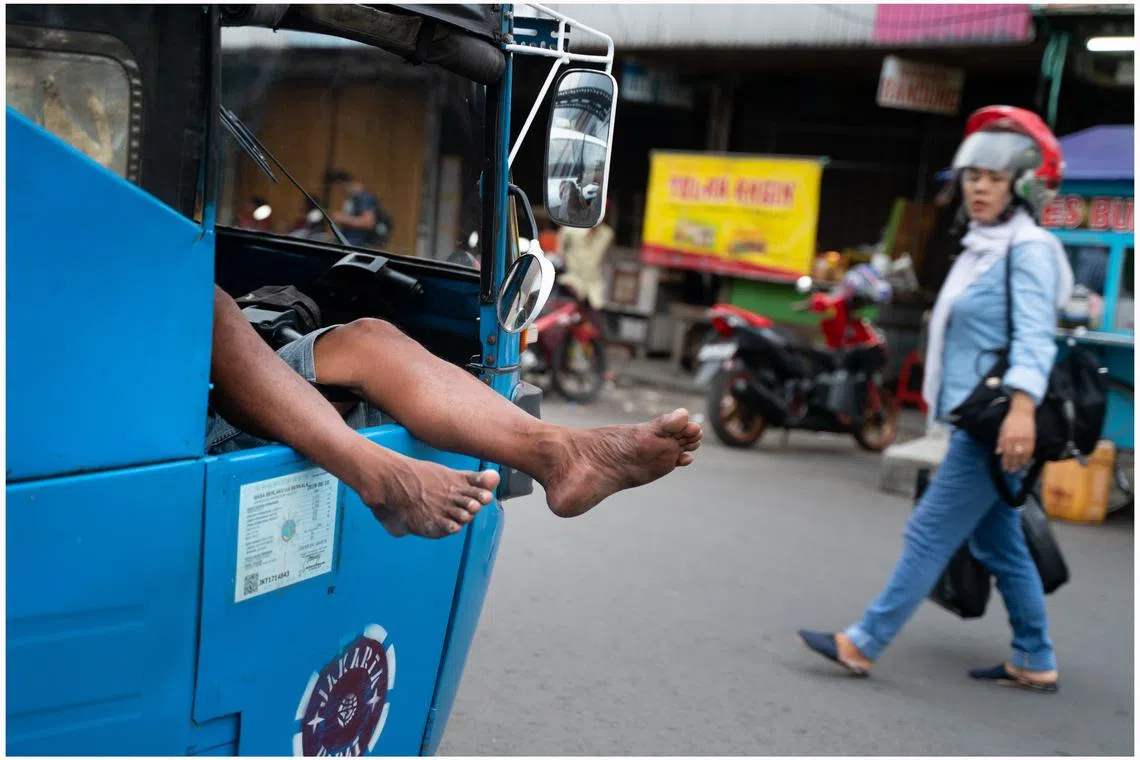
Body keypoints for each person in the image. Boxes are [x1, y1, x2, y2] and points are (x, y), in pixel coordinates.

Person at [797, 106, 1075, 693]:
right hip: (975, 416)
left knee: (929, 531)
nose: (979, 187)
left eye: (995, 178)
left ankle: (863, 642)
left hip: (994, 422)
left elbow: (1035, 337)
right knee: (999, 540)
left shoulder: (1027, 249)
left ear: (1023, 186)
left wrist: (1023, 409)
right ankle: (1034, 655)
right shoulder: (982, 247)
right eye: (974, 176)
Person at [209, 285, 702, 539]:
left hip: (198, 386)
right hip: (182, 420)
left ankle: (558, 454)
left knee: (370, 339)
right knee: (210, 307)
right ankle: (378, 474)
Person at [328, 169, 391, 248]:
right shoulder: (351, 199)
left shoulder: (363, 198)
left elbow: (368, 222)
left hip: (359, 243)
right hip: (348, 241)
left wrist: (343, 218)